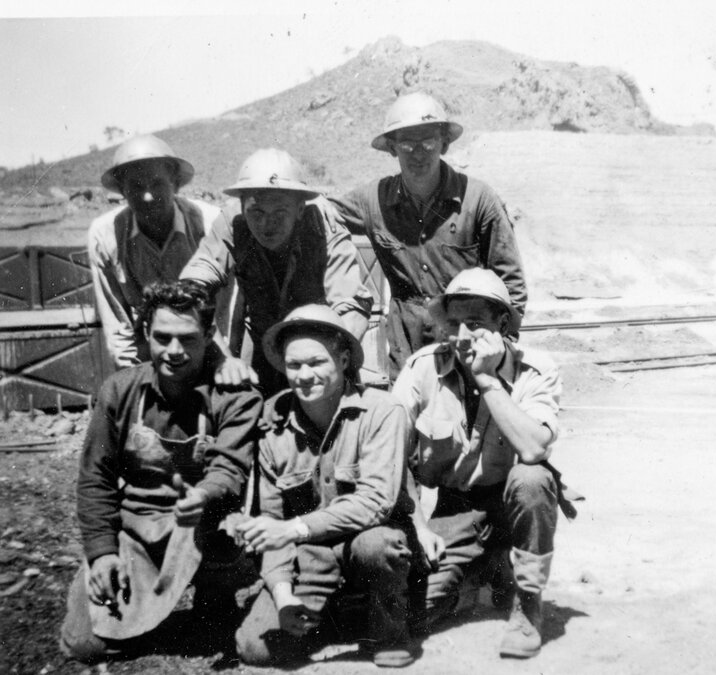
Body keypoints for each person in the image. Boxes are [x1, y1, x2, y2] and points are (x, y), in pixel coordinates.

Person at [59, 280, 262, 663]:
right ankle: (140, 601)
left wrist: (203, 495)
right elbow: (95, 479)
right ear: (146, 335)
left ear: (208, 336)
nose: (174, 351)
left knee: (213, 630)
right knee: (84, 644)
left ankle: (214, 598)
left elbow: (230, 469)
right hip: (137, 529)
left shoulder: (235, 398)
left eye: (187, 339)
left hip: (205, 526)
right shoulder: (120, 391)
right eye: (162, 337)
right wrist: (102, 553)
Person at [392, 268, 565, 659]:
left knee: (532, 478)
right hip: (456, 508)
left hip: (511, 503)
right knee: (418, 613)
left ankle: (528, 602)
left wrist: (487, 380)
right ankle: (483, 571)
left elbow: (535, 449)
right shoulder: (423, 367)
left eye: (476, 323)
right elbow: (390, 453)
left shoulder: (535, 370)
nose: (462, 336)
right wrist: (418, 525)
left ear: (503, 323)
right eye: (453, 324)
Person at [232, 304, 419, 668]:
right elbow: (273, 523)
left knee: (377, 545)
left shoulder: (383, 411)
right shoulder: (273, 427)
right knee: (255, 648)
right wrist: (284, 596)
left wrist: (293, 529)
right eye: (294, 365)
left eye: (316, 362)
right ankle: (343, 614)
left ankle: (389, 630)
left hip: (370, 544)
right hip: (312, 558)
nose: (304, 375)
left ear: (344, 359)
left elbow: (375, 503)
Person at [331, 91, 527, 380]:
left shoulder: (478, 200)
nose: (418, 153)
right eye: (407, 143)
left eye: (428, 141)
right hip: (405, 349)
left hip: (468, 343)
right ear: (392, 148)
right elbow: (319, 213)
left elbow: (511, 282)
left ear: (444, 144)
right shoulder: (372, 201)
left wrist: (502, 348)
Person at [181, 148, 372, 397]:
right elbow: (190, 291)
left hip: (321, 351)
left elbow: (351, 306)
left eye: (280, 213)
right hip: (263, 348)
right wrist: (222, 358)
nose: (266, 225)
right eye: (256, 213)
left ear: (300, 209)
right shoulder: (232, 222)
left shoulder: (324, 222)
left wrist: (323, 361)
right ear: (241, 206)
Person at [88, 134, 224, 368]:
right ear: (121, 190)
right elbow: (118, 324)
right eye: (136, 186)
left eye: (157, 183)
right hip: (150, 352)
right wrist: (135, 382)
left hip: (209, 348)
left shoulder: (210, 224)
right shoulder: (106, 235)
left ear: (175, 182)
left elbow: (226, 310)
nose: (148, 196)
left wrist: (225, 363)